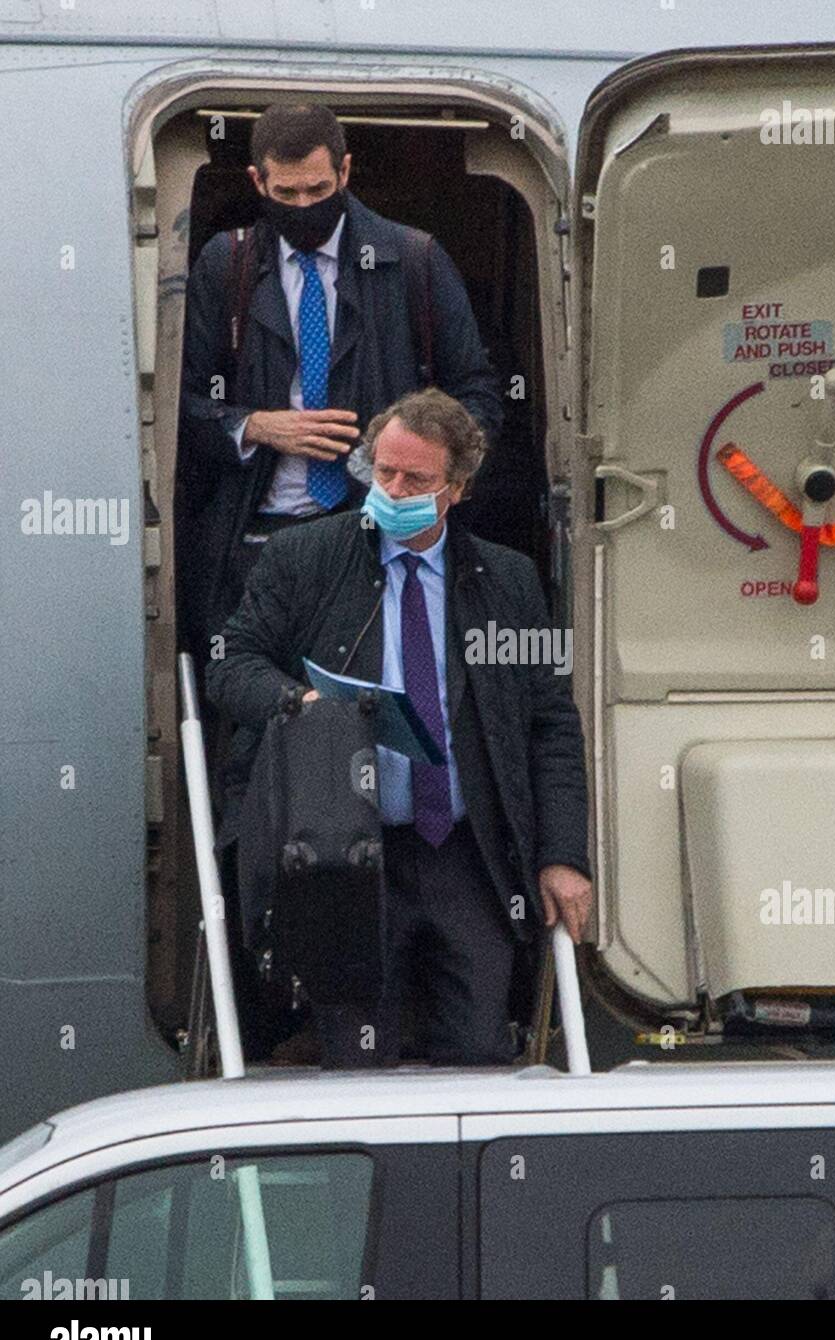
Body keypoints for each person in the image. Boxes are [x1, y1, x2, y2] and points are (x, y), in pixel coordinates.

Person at [207, 388, 591, 1068]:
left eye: (416, 479)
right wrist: (302, 705)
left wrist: (563, 855)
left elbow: (549, 723)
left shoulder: (508, 580)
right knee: (358, 1065)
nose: (392, 489)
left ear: (459, 489)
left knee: (477, 1058)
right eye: (383, 471)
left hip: (466, 856)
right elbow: (233, 667)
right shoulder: (306, 558)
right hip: (346, 854)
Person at [179, 101, 502, 651]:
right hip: (257, 539)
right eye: (286, 195)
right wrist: (254, 426)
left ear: (345, 173)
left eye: (318, 191)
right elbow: (178, 408)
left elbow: (479, 401)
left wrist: (422, 475)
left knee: (373, 708)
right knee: (263, 708)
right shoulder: (225, 264)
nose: (304, 206)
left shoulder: (413, 260)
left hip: (380, 536)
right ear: (258, 181)